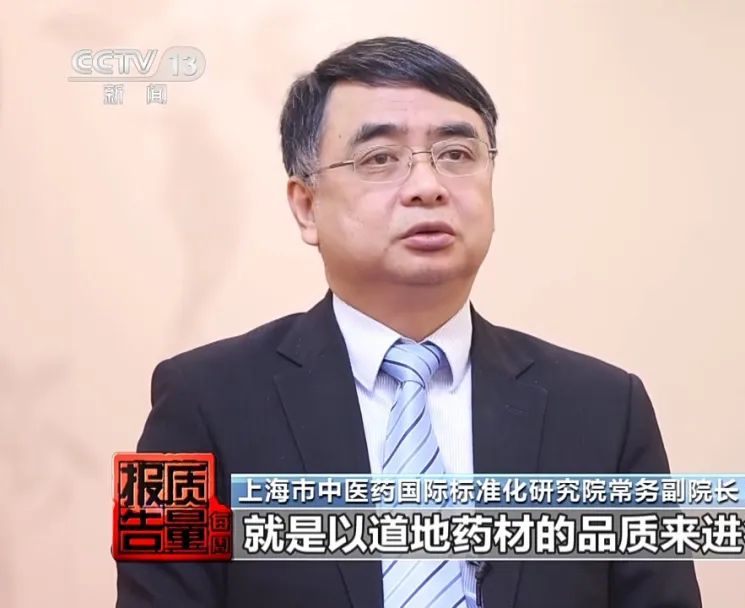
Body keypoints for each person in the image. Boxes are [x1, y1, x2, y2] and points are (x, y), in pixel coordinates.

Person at [116, 36, 701, 608]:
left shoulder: (607, 409)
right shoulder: (193, 399)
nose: (428, 187)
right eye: (380, 159)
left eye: (457, 155)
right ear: (306, 205)